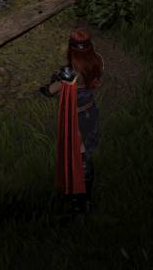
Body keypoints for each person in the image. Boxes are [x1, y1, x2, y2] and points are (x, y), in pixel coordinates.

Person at [41, 28, 104, 215]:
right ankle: (85, 200)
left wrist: (55, 80)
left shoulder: (69, 74)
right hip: (91, 111)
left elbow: (48, 91)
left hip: (76, 117)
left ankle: (79, 204)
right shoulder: (98, 61)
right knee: (86, 155)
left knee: (79, 158)